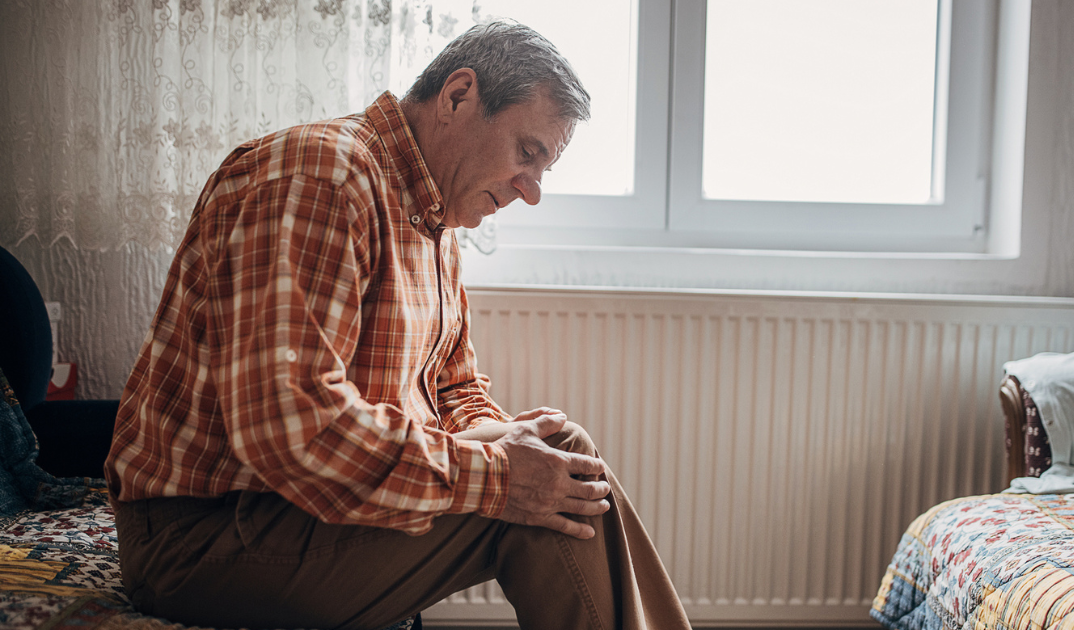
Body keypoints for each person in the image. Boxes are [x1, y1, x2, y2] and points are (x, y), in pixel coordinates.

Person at [104, 21, 691, 630]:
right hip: (205, 537)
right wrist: (499, 478)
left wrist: (506, 440)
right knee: (550, 497)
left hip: (294, 511)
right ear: (458, 96)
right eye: (527, 153)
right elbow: (292, 429)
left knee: (560, 458)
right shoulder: (322, 178)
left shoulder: (434, 218)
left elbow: (454, 389)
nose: (532, 191)